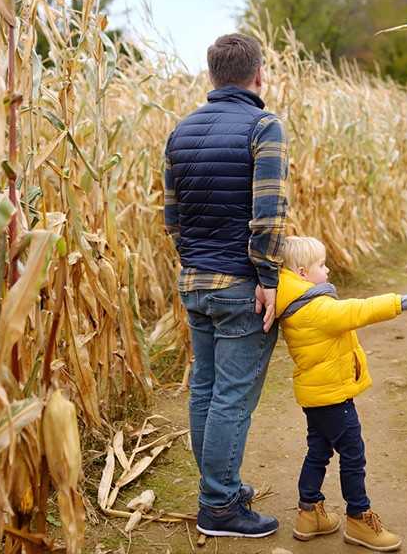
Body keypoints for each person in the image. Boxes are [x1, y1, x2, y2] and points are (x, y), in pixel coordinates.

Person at [163, 33, 288, 538]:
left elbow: (172, 219)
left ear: (212, 76)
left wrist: (194, 264)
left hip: (194, 281)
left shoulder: (181, 130)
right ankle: (218, 506)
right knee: (232, 397)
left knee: (206, 390)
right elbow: (268, 214)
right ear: (258, 75)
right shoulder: (264, 126)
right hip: (240, 284)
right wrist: (268, 277)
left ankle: (220, 488)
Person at [275, 236, 407, 552]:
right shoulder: (317, 309)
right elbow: (362, 310)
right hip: (333, 397)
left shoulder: (293, 304)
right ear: (302, 272)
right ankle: (358, 517)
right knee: (352, 454)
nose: (327, 271)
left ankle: (309, 514)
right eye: (321, 265)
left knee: (319, 450)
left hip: (316, 397)